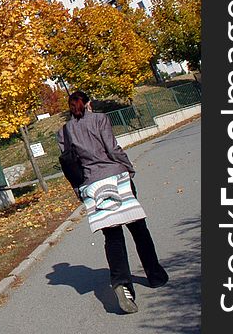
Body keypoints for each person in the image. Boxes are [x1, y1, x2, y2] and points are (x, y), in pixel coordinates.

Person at [57, 90, 169, 314]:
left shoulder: (64, 132)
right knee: (139, 229)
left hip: (92, 184)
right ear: (88, 104)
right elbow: (112, 148)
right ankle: (155, 275)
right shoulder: (100, 119)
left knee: (113, 237)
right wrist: (128, 167)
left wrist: (79, 189)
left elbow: (69, 165)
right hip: (116, 178)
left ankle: (121, 285)